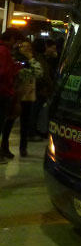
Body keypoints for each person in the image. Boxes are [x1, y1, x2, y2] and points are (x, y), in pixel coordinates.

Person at [2, 39, 43, 159]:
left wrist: (31, 59)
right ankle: (4, 146)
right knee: (9, 122)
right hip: (15, 95)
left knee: (25, 122)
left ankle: (23, 147)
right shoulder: (13, 58)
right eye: (23, 47)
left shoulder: (34, 60)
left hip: (28, 96)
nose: (26, 50)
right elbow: (20, 73)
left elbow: (38, 73)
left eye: (29, 48)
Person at [0, 29, 22, 165]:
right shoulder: (4, 51)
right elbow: (3, 72)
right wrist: (16, 68)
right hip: (2, 92)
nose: (17, 44)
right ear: (12, 38)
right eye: (17, 41)